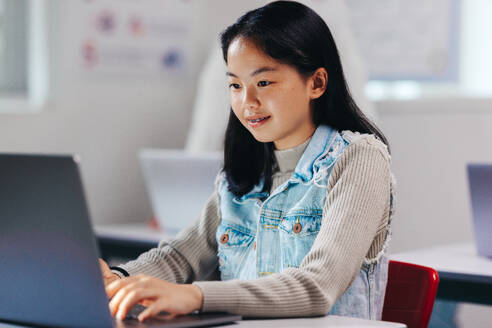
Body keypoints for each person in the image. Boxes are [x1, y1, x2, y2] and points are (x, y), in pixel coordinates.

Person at [99, 0, 395, 323]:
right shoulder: (242, 175)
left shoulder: (360, 158)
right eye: (235, 85)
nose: (247, 102)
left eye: (263, 83)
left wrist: (196, 296)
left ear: (317, 83)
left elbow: (318, 285)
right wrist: (119, 278)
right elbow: (180, 257)